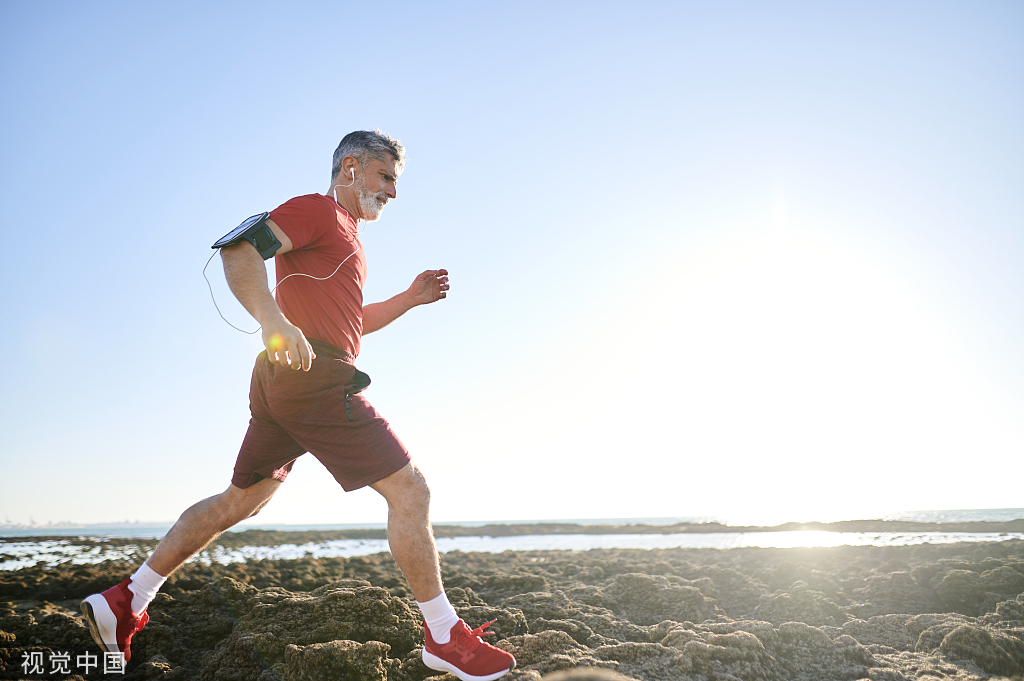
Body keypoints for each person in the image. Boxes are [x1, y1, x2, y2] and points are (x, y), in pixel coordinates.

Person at [80, 130, 516, 681]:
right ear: (350, 168)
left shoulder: (348, 236)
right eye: (386, 177)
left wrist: (408, 299)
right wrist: (274, 322)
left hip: (286, 380)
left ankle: (127, 598)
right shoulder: (318, 210)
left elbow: (353, 323)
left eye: (397, 183)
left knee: (240, 501)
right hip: (315, 378)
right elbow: (239, 250)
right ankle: (444, 635)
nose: (393, 192)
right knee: (411, 490)